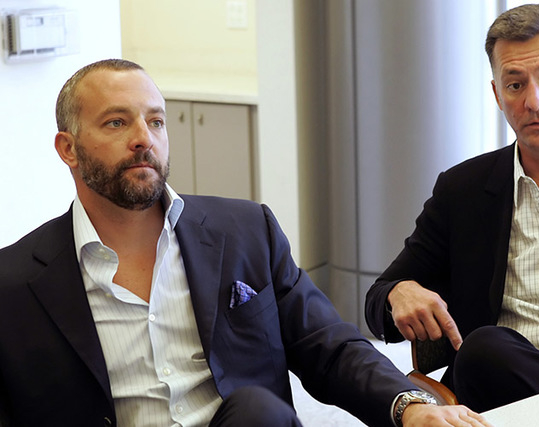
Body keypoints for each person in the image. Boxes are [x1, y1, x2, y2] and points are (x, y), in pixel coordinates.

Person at [0, 59, 491, 427]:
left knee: (258, 409)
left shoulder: (244, 230)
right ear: (68, 148)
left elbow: (330, 347)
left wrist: (408, 406)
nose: (143, 138)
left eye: (156, 121)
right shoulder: (15, 284)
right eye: (116, 122)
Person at [365, 3, 539, 413]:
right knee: (483, 350)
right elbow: (377, 303)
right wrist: (398, 292)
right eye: (515, 85)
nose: (534, 100)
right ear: (497, 94)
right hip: (503, 377)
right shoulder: (462, 190)